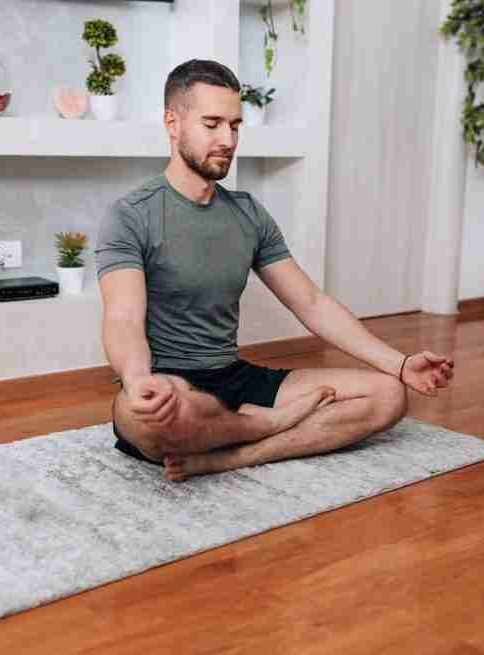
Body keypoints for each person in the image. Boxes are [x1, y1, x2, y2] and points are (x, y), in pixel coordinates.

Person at [96, 59, 455, 482]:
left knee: (387, 396)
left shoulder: (247, 213)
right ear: (172, 123)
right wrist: (138, 381)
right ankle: (261, 424)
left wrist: (400, 364)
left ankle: (233, 455)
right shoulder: (131, 215)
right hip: (169, 384)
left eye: (235, 125)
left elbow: (312, 302)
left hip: (233, 377)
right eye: (212, 124)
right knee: (158, 420)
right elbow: (122, 318)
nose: (227, 139)